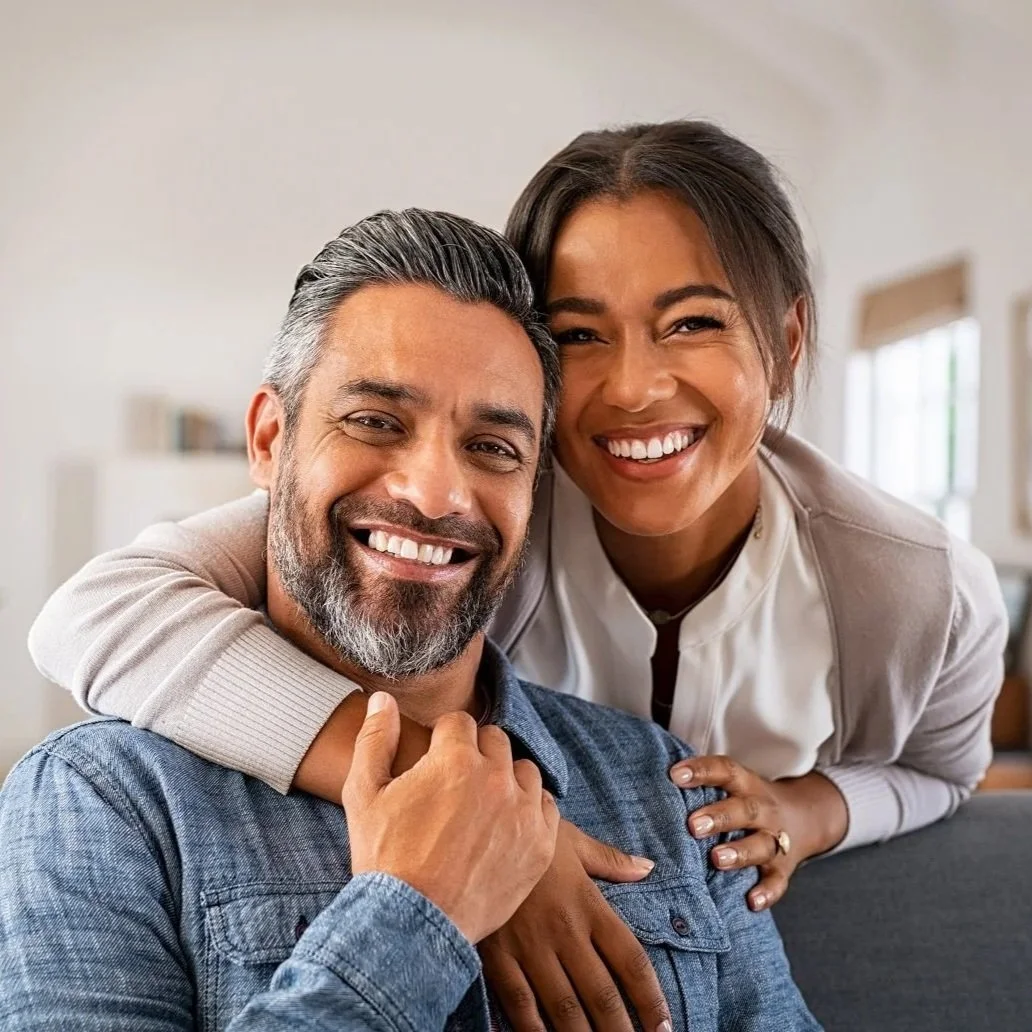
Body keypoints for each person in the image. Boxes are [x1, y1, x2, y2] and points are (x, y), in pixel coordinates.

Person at [29, 121, 1005, 1028]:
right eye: (374, 421)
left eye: (494, 443)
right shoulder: (107, 805)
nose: (432, 487)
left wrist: (805, 808)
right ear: (270, 441)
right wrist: (430, 880)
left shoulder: (677, 782)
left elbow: (939, 772)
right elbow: (97, 613)